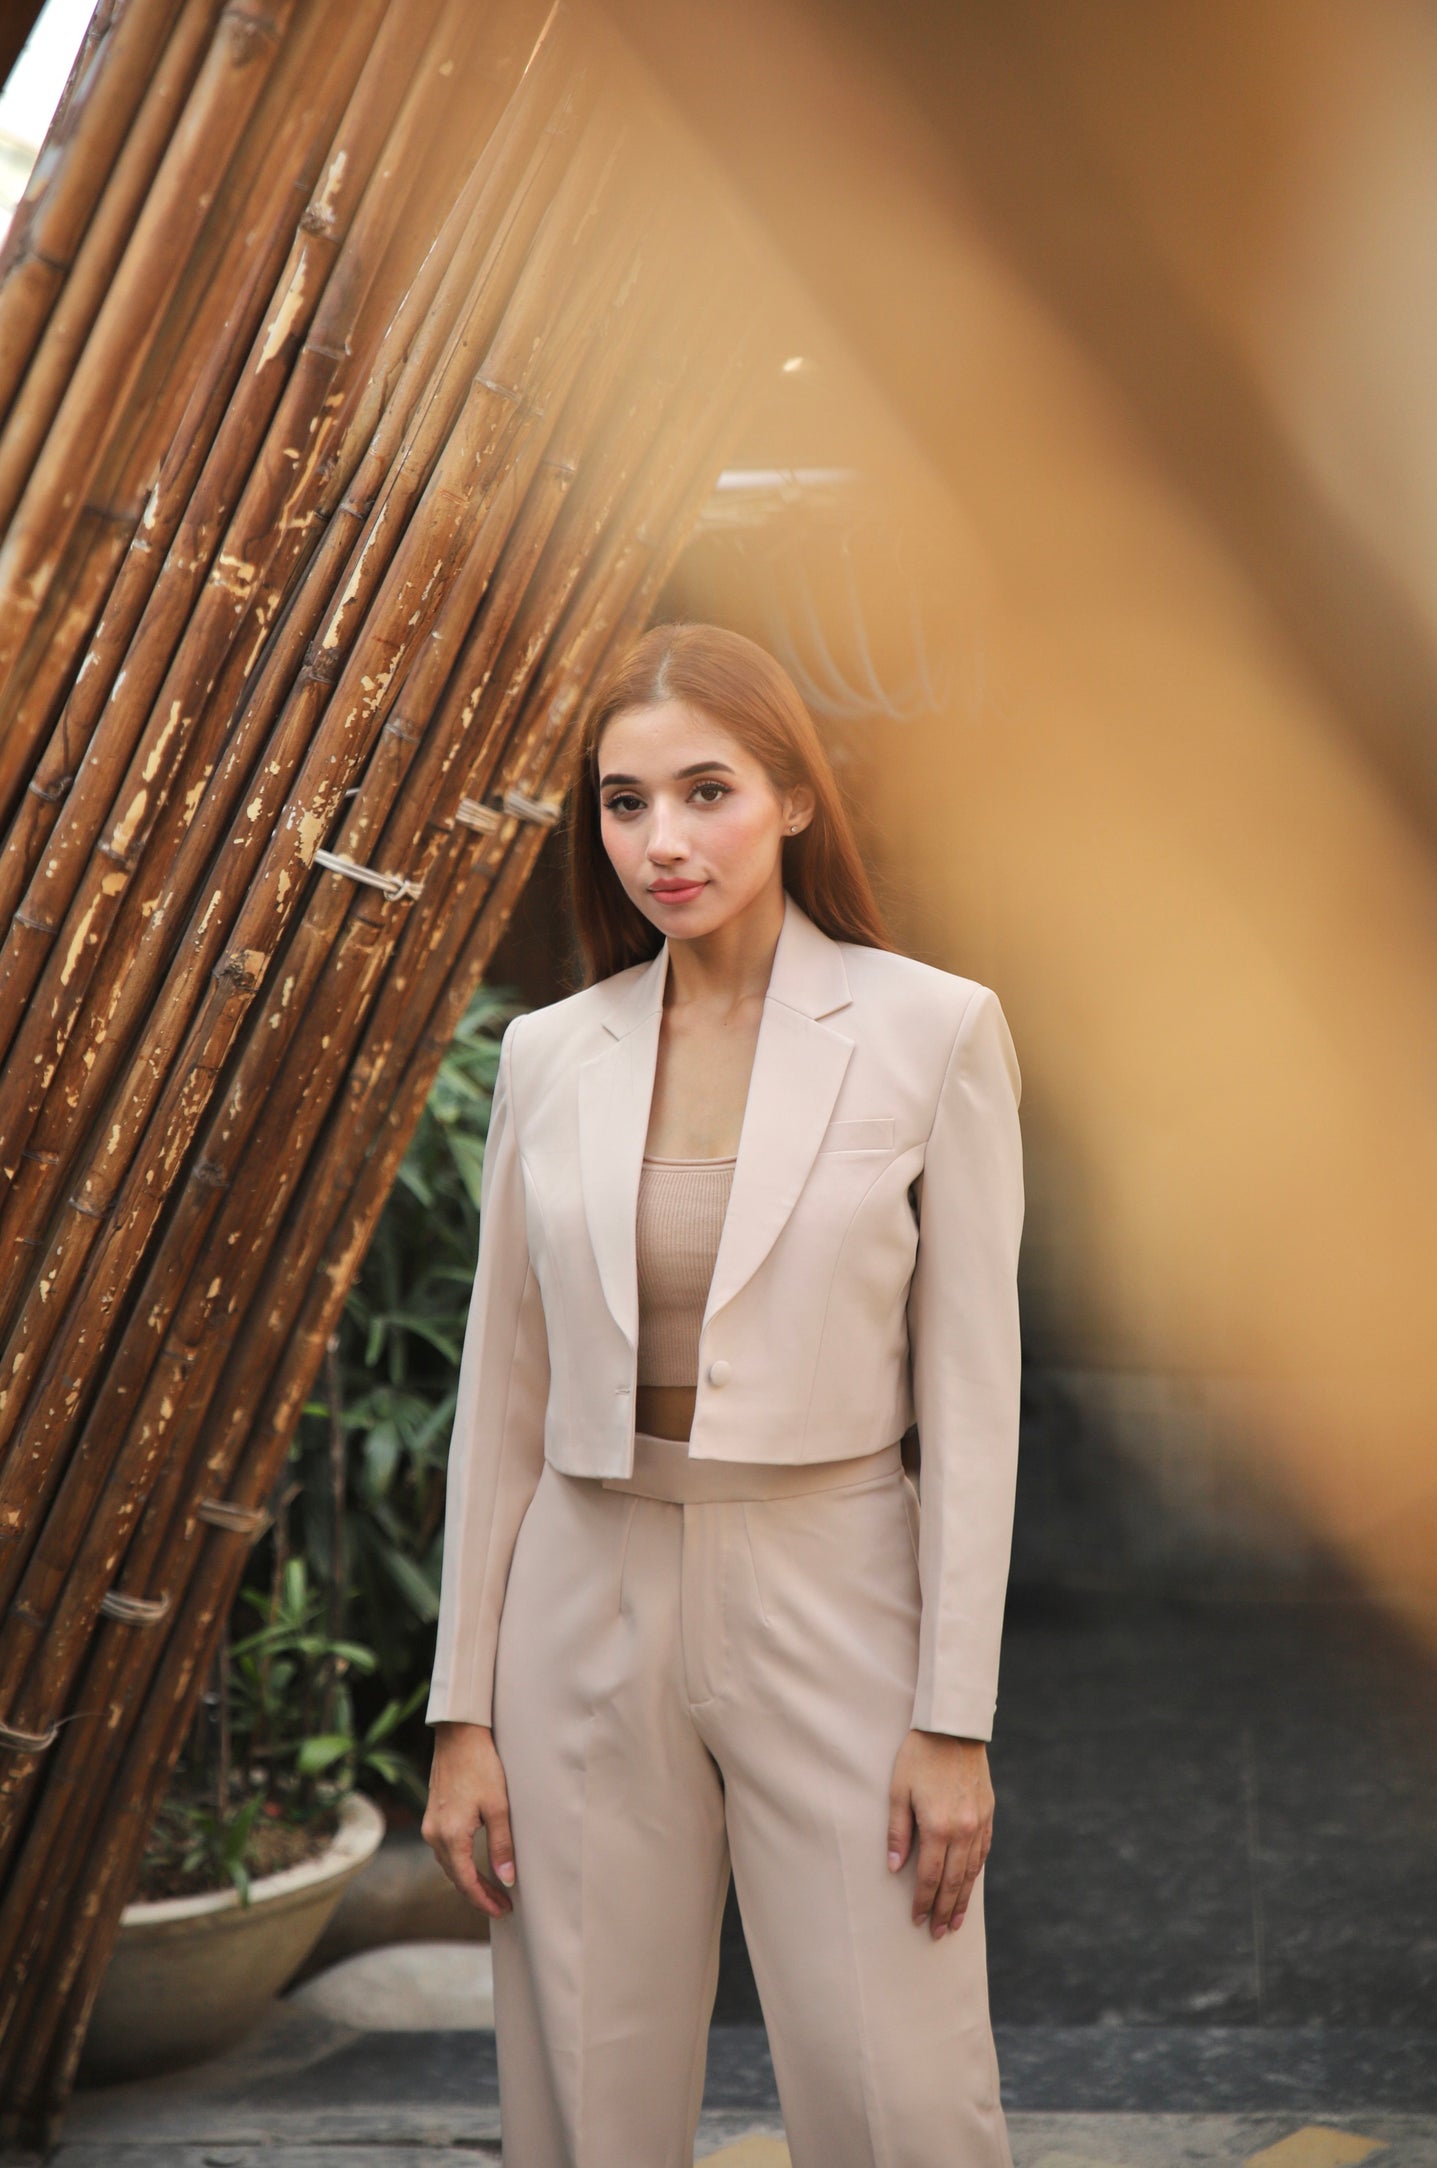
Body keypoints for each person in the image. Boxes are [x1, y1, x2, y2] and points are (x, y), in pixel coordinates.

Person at [422, 621, 1024, 2167]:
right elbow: (505, 1389)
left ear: (796, 799)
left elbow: (971, 1395)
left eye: (706, 792)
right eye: (624, 803)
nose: (662, 841)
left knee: (901, 2095)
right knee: (583, 2091)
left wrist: (953, 1720)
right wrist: (462, 1713)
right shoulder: (553, 1053)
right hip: (581, 1590)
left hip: (832, 1582)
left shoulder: (929, 1029)